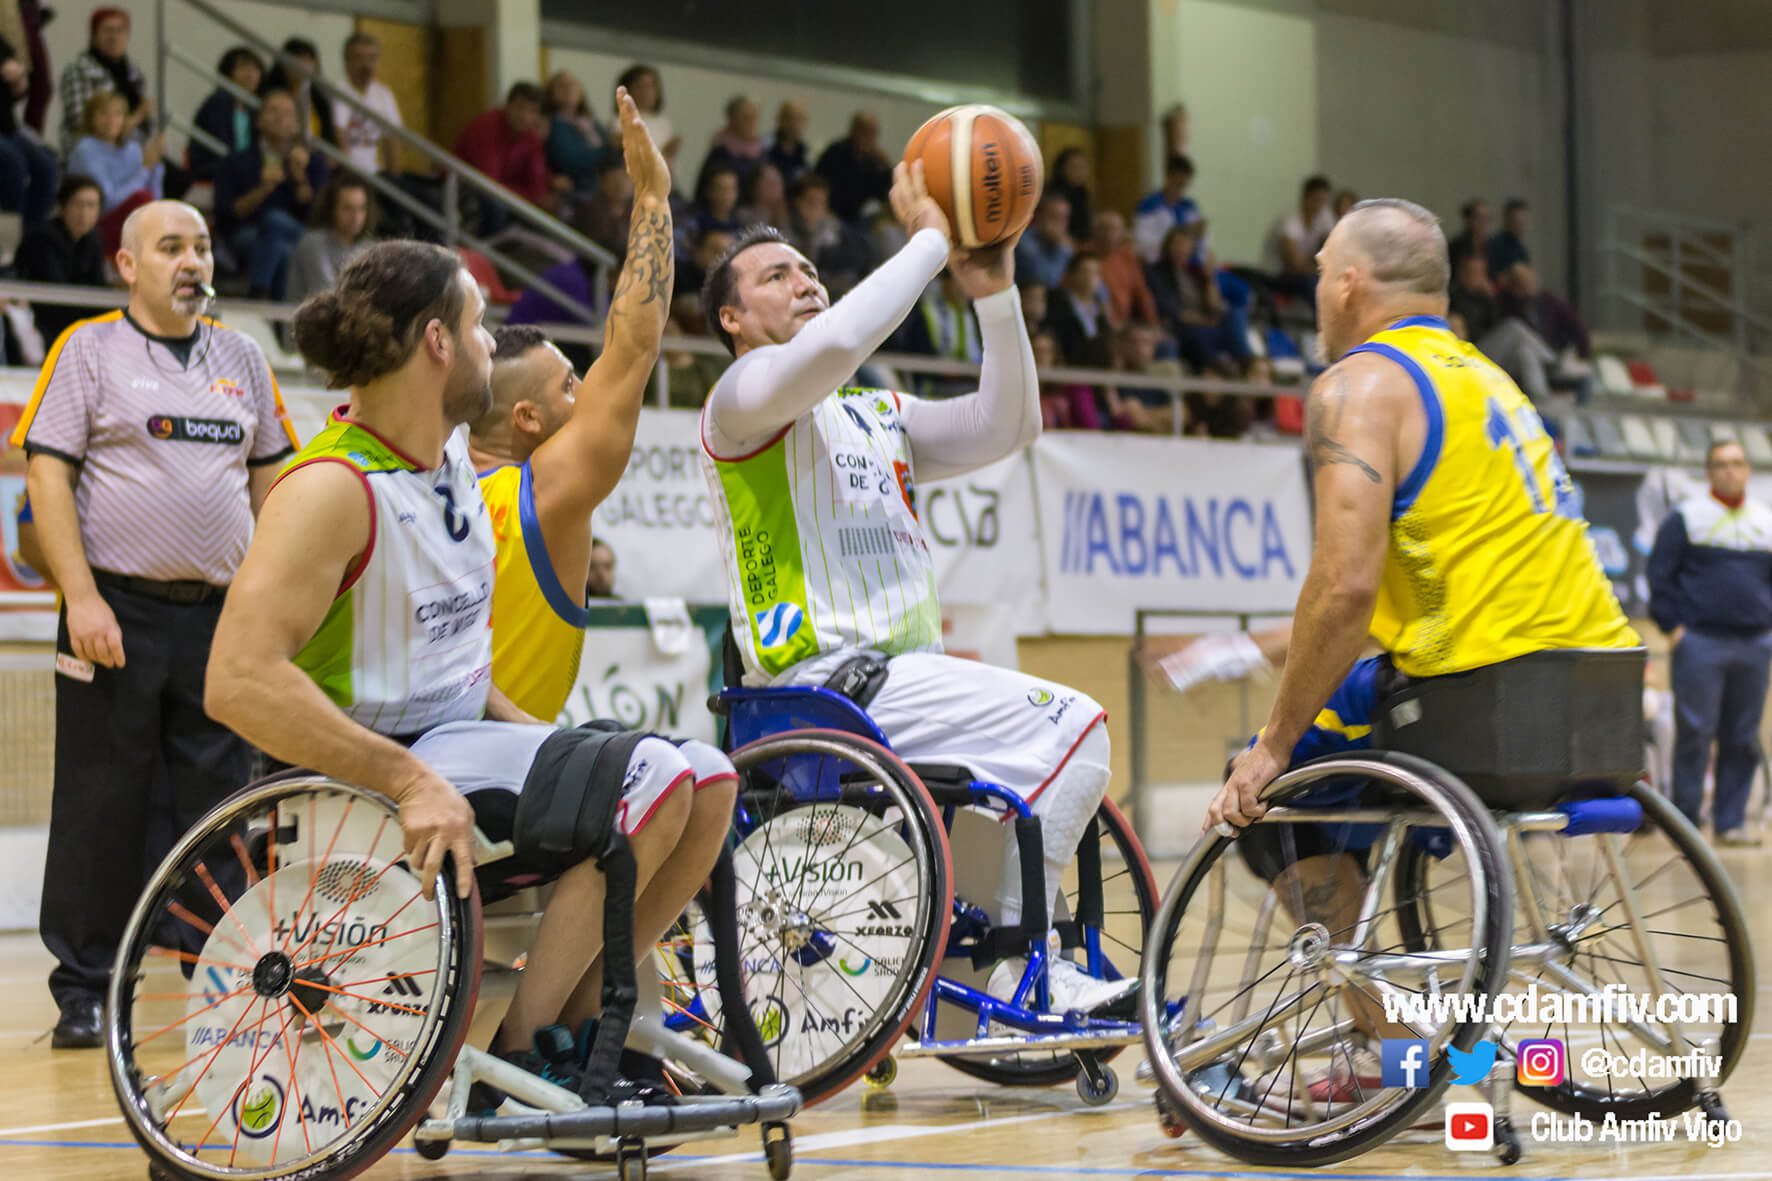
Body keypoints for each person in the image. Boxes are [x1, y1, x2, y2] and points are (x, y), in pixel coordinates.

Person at [204, 236, 735, 1092]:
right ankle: (520, 1055)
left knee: (706, 778)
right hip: (372, 780)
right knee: (648, 781)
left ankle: (581, 1030)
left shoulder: (449, 457)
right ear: (437, 342)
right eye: (481, 325)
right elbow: (235, 678)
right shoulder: (329, 489)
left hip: (459, 741)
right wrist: (408, 779)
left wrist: (543, 733)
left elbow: (444, 656)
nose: (494, 343)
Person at [1200, 199, 1636, 1087]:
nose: (1317, 290)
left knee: (1268, 801)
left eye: (1321, 272)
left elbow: (1345, 588)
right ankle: (1402, 1018)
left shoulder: (1359, 385)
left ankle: (1394, 1051)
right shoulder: (1490, 381)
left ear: (1351, 282)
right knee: (1356, 723)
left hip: (1486, 702)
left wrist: (1271, 744)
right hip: (1600, 697)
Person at [698, 162, 1132, 1012]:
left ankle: (979, 965)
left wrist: (996, 292)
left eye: (809, 268)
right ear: (732, 319)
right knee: (1076, 727)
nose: (805, 280)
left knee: (1032, 759)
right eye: (775, 275)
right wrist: (933, 239)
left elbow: (1010, 424)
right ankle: (1019, 959)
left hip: (899, 686)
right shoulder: (739, 397)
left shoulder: (873, 413)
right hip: (822, 689)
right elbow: (829, 349)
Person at [9, 199, 297, 1049]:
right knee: (101, 801)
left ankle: (215, 971)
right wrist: (81, 595)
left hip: (219, 617)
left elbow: (275, 484)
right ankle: (86, 986)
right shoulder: (88, 349)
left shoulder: (244, 356)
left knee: (218, 804)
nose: (191, 260)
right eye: (170, 246)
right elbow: (48, 477)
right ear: (127, 265)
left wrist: (271, 603)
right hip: (112, 611)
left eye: (201, 245)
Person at [466, 86, 671, 724]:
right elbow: (633, 346)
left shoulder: (419, 481)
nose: (584, 396)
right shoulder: (542, 494)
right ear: (526, 419)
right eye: (569, 386)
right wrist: (653, 200)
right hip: (496, 780)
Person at [1647, 440, 1772, 845]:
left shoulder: (1764, 523)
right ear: (1708, 472)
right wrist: (1673, 628)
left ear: (1748, 470)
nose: (1729, 471)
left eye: (1736, 464)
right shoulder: (1687, 518)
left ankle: (1730, 822)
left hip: (1754, 644)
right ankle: (1687, 825)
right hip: (1700, 642)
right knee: (1694, 734)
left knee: (1742, 735)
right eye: (1720, 464)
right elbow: (1660, 574)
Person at [214, 88, 328, 300]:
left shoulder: (313, 162)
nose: (280, 118)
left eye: (287, 113)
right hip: (248, 232)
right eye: (273, 111)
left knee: (276, 223)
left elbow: (318, 216)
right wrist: (263, 189)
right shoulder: (236, 160)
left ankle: (258, 295)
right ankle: (279, 321)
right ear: (259, 121)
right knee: (281, 249)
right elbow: (227, 214)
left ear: (296, 124)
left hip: (299, 233)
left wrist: (300, 177)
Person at [14, 174, 107, 344]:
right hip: (43, 320)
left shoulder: (93, 238)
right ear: (62, 207)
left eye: (91, 206)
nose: (84, 213)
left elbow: (99, 287)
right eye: (78, 204)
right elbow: (54, 295)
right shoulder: (42, 238)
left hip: (78, 320)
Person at [67, 91, 162, 254]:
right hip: (95, 222)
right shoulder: (86, 149)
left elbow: (156, 198)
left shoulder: (132, 149)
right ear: (91, 117)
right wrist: (145, 170)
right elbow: (107, 201)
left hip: (132, 222)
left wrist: (156, 168)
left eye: (117, 114)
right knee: (142, 201)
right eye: (103, 113)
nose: (111, 121)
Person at [453, 81, 550, 237]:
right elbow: (489, 182)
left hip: (503, 194)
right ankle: (488, 258)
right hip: (464, 188)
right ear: (507, 106)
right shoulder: (486, 125)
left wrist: (526, 195)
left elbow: (538, 188)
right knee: (497, 206)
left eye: (532, 111)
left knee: (546, 211)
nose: (524, 116)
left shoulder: (531, 137)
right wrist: (524, 194)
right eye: (520, 107)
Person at [57, 7, 151, 157]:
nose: (114, 37)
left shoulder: (134, 73)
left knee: (175, 175)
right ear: (94, 37)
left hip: (132, 148)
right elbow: (82, 124)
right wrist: (137, 117)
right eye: (108, 30)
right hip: (92, 152)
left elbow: (147, 124)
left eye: (120, 30)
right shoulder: (78, 70)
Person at [285, 173, 375, 305]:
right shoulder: (313, 243)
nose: (356, 217)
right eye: (347, 208)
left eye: (361, 208)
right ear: (332, 209)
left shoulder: (369, 248)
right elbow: (327, 296)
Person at [0, 25, 52, 226]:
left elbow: (15, 92)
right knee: (15, 165)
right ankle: (10, 232)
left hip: (7, 125)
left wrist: (19, 83)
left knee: (47, 167)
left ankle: (33, 236)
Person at [188, 47, 262, 184]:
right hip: (215, 169)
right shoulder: (220, 101)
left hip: (239, 170)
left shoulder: (253, 109)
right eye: (244, 67)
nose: (251, 74)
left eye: (255, 68)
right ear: (229, 72)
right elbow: (220, 146)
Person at [338, 32, 402, 176]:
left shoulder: (384, 94)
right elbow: (339, 135)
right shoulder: (338, 91)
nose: (366, 65)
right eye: (359, 58)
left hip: (375, 173)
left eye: (372, 58)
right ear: (347, 63)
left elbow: (392, 139)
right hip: (348, 175)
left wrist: (395, 179)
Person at [1261, 175, 1334, 299]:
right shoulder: (1290, 221)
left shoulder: (1324, 216)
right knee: (1315, 284)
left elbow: (1333, 252)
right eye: (1316, 200)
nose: (1319, 205)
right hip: (1277, 275)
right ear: (1305, 197)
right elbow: (1294, 265)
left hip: (1307, 272)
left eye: (1323, 201)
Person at [814, 111, 892, 222]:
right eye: (864, 131)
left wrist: (885, 166)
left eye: (873, 132)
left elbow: (883, 193)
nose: (868, 137)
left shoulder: (874, 162)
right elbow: (819, 182)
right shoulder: (836, 151)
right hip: (833, 213)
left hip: (860, 218)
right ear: (854, 130)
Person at [261, 37, 336, 149]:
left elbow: (328, 135)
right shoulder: (268, 91)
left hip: (313, 155)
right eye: (297, 58)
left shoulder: (319, 97)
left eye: (307, 60)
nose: (302, 65)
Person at [542, 71, 609, 194]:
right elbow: (571, 161)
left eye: (573, 85)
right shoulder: (552, 124)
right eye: (562, 86)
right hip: (575, 188)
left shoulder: (591, 122)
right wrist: (609, 149)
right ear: (551, 94)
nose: (569, 89)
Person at [1132, 154, 1200, 263]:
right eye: (1178, 183)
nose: (1180, 189)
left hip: (1189, 263)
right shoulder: (1149, 206)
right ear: (1168, 177)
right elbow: (1142, 244)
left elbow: (1202, 242)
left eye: (1184, 185)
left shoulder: (1189, 206)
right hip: (1161, 264)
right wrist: (1174, 245)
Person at [616, 63, 678, 173]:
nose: (647, 92)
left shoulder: (664, 123)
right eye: (641, 86)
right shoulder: (618, 121)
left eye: (651, 86)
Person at [1014, 194, 1073, 291]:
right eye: (1054, 217)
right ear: (1039, 217)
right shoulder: (1024, 241)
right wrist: (1062, 249)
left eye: (1064, 218)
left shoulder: (1061, 243)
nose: (1059, 224)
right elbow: (1047, 280)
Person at [1051, 147, 1094, 243]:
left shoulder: (1083, 193)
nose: (1080, 171)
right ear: (1061, 169)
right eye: (1075, 167)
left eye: (1083, 167)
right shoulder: (1053, 194)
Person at [766, 99, 811, 187]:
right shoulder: (766, 147)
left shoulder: (805, 154)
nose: (796, 124)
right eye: (791, 118)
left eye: (801, 119)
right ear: (781, 120)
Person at [1487, 197, 1531, 279]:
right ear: (1506, 220)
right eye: (1517, 221)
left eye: (1522, 222)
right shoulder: (1495, 245)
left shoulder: (1520, 248)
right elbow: (1493, 275)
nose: (1520, 226)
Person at [1446, 197, 1491, 272]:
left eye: (1486, 218)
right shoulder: (1456, 246)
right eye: (1479, 218)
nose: (1483, 223)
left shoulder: (1490, 245)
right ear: (1469, 219)